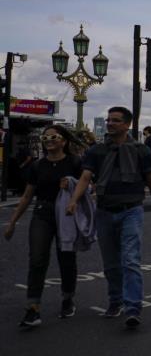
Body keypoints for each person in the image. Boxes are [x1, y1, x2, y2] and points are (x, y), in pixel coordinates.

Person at [66, 106, 151, 329]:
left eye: (115, 120)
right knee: (111, 264)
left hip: (131, 210)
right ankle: (116, 301)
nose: (110, 123)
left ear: (127, 125)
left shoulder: (141, 151)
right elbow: (85, 177)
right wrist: (74, 200)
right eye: (108, 120)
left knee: (130, 260)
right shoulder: (96, 151)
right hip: (104, 211)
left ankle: (133, 308)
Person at [4, 125, 85, 328]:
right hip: (43, 212)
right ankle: (33, 308)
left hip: (66, 214)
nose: (48, 140)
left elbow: (88, 187)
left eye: (53, 136)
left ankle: (67, 298)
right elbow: (27, 196)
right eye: (45, 137)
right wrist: (12, 222)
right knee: (38, 259)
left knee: (66, 257)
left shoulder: (74, 162)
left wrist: (73, 184)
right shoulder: (38, 166)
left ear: (63, 141)